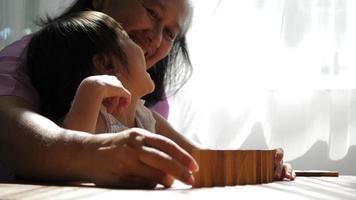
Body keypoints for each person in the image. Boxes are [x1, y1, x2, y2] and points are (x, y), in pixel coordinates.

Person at [0, 0, 294, 187]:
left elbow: (195, 157)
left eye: (169, 33)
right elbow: (20, 136)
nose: (154, 39)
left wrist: (259, 165)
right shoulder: (22, 59)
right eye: (152, 11)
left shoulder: (146, 108)